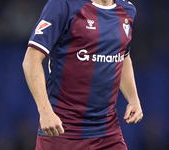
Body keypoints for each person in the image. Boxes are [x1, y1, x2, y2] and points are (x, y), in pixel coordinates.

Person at [22, 0, 143, 149]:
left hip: (107, 132)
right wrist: (45, 112)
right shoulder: (63, 5)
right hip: (62, 131)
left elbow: (122, 56)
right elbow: (31, 60)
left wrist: (133, 99)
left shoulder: (127, 10)